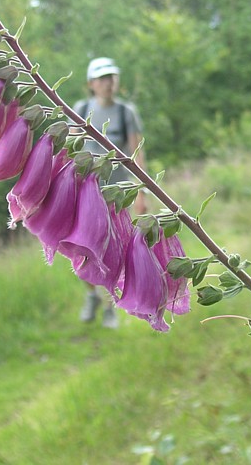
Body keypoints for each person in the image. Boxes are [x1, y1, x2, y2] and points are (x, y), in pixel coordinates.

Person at [72, 57, 147, 328]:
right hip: (86, 195)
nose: (108, 83)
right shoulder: (81, 109)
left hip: (117, 195)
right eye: (102, 78)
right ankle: (91, 296)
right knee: (82, 249)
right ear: (91, 83)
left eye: (112, 77)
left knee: (112, 252)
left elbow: (138, 154)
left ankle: (110, 306)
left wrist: (142, 193)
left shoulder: (127, 112)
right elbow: (70, 150)